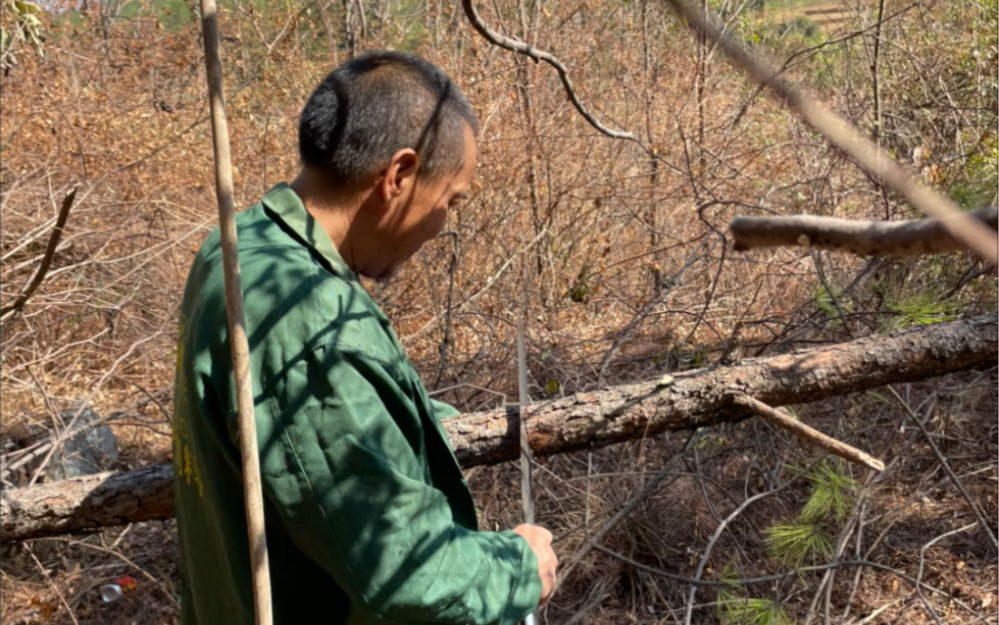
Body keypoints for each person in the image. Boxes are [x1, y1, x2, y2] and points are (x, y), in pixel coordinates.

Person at [172, 50, 557, 625]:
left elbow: (326, 433)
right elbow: (409, 574)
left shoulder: (238, 246)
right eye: (450, 201)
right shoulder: (308, 326)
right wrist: (519, 567)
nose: (443, 226)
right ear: (398, 176)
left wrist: (429, 422)